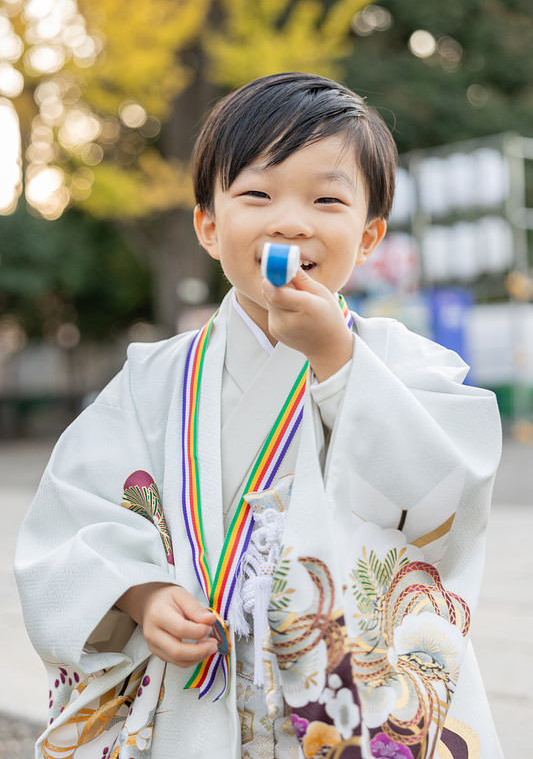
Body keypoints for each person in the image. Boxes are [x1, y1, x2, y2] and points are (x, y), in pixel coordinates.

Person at [15, 72, 503, 759]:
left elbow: (445, 505)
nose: (290, 221)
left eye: (326, 199)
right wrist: (142, 594)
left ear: (367, 237)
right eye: (257, 194)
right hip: (192, 681)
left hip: (341, 694)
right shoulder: (153, 379)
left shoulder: (408, 368)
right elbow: (76, 515)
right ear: (209, 227)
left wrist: (338, 361)